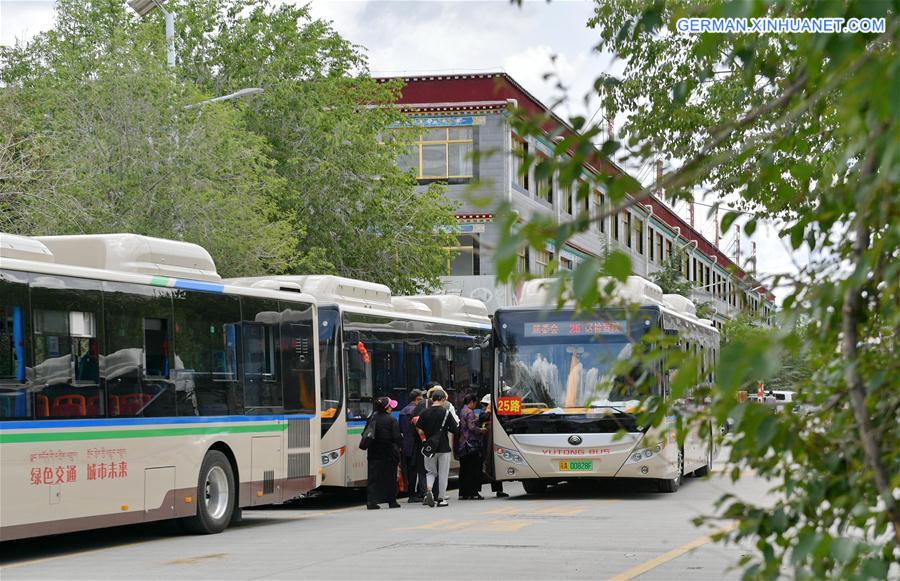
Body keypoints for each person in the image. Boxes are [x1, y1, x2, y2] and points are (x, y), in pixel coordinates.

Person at [416, 389, 458, 507]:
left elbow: (419, 428)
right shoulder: (445, 412)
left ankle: (429, 490)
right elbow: (455, 429)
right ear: (443, 399)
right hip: (444, 448)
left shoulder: (424, 412)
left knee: (430, 472)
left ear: (433, 399)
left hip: (429, 448)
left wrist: (425, 440)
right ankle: (441, 498)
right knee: (443, 474)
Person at [366, 396, 402, 510]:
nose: (392, 408)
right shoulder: (392, 420)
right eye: (390, 406)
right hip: (389, 453)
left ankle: (371, 501)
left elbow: (365, 434)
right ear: (386, 408)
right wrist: (401, 446)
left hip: (373, 452)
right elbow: (397, 437)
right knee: (390, 478)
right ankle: (392, 501)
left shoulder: (372, 418)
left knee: (373, 478)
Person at [457, 392, 487, 500]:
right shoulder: (470, 412)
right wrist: (481, 430)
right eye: (475, 403)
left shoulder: (462, 410)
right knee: (473, 469)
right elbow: (471, 427)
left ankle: (464, 493)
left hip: (462, 445)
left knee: (464, 470)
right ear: (471, 402)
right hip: (471, 444)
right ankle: (474, 493)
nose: (475, 406)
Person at [480, 394, 509, 498]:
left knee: (495, 464)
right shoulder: (484, 412)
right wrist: (488, 410)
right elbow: (481, 418)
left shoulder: (499, 410)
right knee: (488, 464)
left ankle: (499, 490)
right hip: (486, 442)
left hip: (496, 440)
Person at [399, 389, 425, 503]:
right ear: (417, 399)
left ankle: (410, 493)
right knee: (417, 469)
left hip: (406, 443)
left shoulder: (403, 411)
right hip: (415, 443)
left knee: (409, 470)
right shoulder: (416, 410)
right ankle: (415, 494)